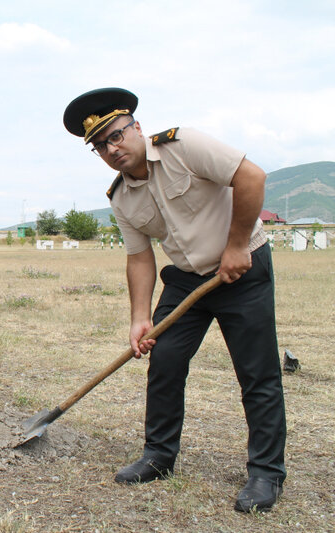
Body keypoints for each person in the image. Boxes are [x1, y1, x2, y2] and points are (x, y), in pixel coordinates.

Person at [63, 88, 286, 513]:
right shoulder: (121, 197)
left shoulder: (184, 145)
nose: (112, 149)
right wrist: (139, 318)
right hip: (186, 282)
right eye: (100, 146)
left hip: (241, 269)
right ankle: (158, 456)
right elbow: (139, 257)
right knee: (163, 363)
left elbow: (252, 177)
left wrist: (237, 245)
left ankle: (266, 473)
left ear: (137, 128)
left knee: (257, 374)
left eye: (115, 136)